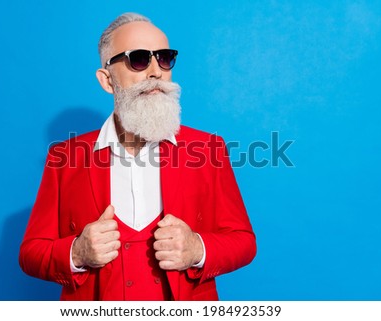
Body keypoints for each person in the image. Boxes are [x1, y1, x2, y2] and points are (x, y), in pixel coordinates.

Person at [19, 12, 256, 301]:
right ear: (107, 80)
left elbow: (244, 241)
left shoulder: (208, 148)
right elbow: (31, 252)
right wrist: (77, 252)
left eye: (165, 58)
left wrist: (197, 248)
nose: (155, 71)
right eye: (139, 59)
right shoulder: (65, 157)